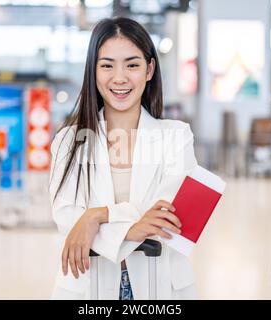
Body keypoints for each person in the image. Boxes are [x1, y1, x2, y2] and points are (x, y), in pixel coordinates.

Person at [49, 17, 199, 300]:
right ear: (93, 71)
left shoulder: (177, 137)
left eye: (132, 64)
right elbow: (66, 216)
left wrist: (96, 215)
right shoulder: (69, 141)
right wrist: (134, 225)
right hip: (87, 287)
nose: (119, 78)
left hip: (161, 286)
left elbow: (168, 220)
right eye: (107, 65)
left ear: (149, 69)